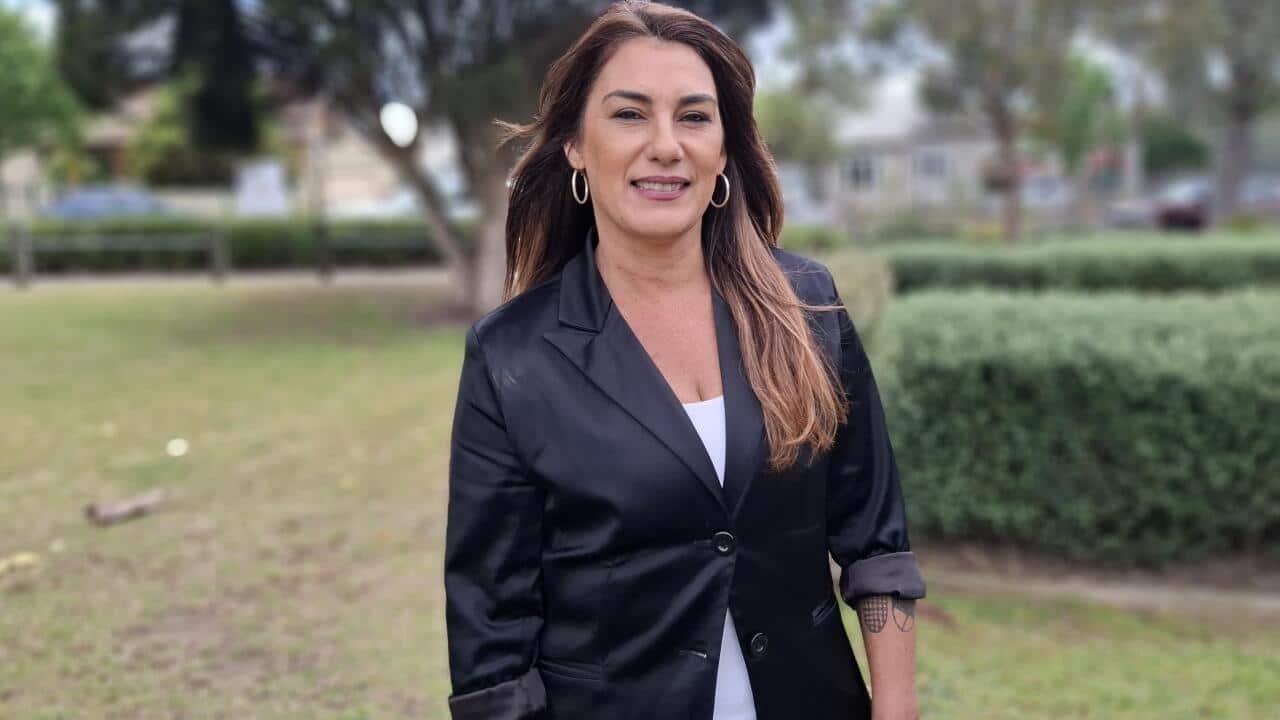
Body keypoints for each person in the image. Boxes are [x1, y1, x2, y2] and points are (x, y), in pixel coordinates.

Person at [443, 2, 926, 718]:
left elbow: (875, 539)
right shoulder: (511, 357)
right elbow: (493, 642)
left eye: (694, 117)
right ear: (576, 145)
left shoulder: (806, 307)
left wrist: (897, 708)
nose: (666, 145)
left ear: (724, 148)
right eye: (630, 115)